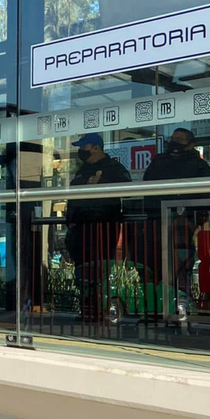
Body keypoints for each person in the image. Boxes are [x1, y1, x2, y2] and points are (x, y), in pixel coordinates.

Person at [141, 127, 210, 316]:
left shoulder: (199, 166)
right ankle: (155, 309)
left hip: (183, 225)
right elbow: (146, 188)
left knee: (180, 269)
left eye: (180, 140)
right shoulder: (158, 161)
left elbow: (206, 198)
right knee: (154, 266)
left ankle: (179, 309)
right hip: (156, 223)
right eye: (173, 139)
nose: (174, 142)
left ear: (190, 144)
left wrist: (195, 223)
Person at [65, 134, 132, 322]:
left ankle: (100, 309)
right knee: (83, 269)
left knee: (100, 268)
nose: (81, 151)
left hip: (104, 224)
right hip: (80, 227)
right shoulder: (82, 171)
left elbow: (128, 191)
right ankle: (86, 309)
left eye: (84, 146)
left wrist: (101, 184)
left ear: (96, 147)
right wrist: (70, 221)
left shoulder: (114, 169)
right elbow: (73, 198)